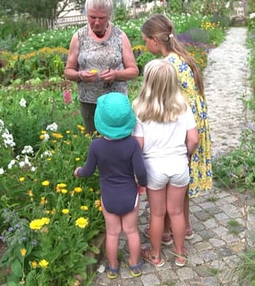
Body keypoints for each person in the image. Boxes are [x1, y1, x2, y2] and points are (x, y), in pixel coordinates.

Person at [141, 14, 212, 244]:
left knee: (173, 182)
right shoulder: (181, 56)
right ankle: (187, 226)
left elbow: (162, 98)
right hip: (193, 120)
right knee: (183, 177)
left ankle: (165, 230)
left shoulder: (166, 65)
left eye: (144, 41)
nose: (144, 45)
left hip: (180, 123)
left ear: (154, 40)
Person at [132, 59, 199, 267]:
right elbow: (194, 139)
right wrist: (186, 155)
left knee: (157, 213)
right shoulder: (183, 107)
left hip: (154, 168)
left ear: (147, 82)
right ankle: (179, 254)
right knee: (177, 212)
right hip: (178, 165)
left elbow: (139, 145)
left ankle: (155, 254)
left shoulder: (139, 107)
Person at [74, 92, 147, 279]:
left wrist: (78, 171)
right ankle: (134, 264)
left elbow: (88, 171)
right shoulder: (132, 145)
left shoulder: (96, 146)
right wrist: (142, 185)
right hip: (130, 195)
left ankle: (113, 267)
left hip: (108, 196)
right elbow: (140, 171)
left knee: (112, 234)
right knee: (131, 231)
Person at [64, 0, 139, 134]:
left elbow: (134, 71)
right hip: (89, 102)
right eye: (92, 17)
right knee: (94, 143)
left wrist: (116, 74)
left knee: (119, 141)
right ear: (86, 14)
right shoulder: (79, 36)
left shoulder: (119, 36)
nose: (97, 22)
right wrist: (80, 76)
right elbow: (68, 71)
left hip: (115, 102)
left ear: (110, 16)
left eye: (102, 18)